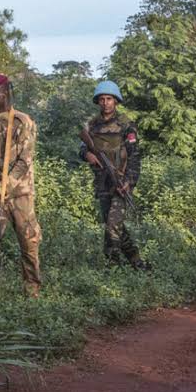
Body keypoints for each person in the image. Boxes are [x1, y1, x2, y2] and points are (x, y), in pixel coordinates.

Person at [0, 73, 41, 302]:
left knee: (29, 243)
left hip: (20, 194)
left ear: (4, 93)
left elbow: (25, 161)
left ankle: (32, 293)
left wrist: (6, 185)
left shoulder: (23, 122)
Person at [79, 81, 149, 270]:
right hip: (102, 181)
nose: (105, 103)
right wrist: (87, 155)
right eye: (101, 99)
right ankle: (136, 260)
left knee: (112, 224)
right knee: (114, 225)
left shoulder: (126, 125)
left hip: (121, 182)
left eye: (109, 99)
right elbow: (83, 148)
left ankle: (113, 266)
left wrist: (129, 181)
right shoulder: (91, 125)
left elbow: (134, 156)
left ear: (115, 101)